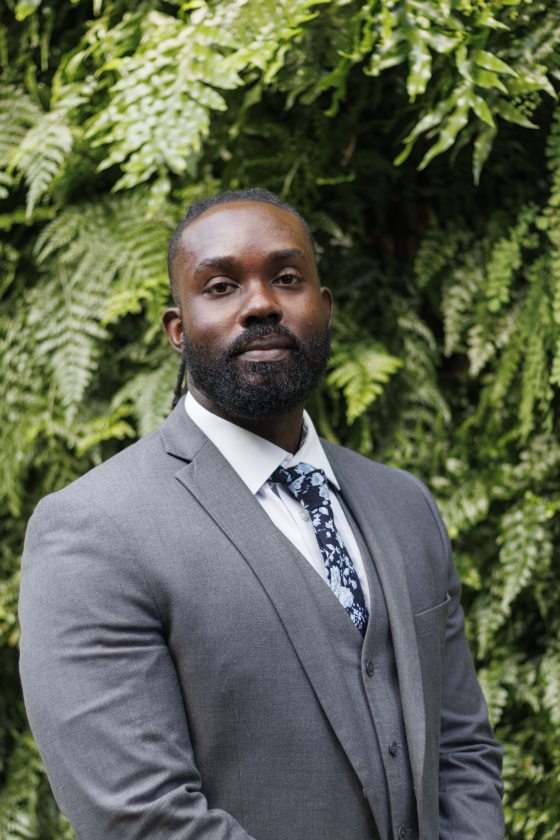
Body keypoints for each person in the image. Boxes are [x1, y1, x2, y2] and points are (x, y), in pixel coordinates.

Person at [19, 188, 504, 840]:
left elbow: (463, 750)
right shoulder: (96, 531)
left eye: (286, 278)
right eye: (220, 286)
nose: (260, 305)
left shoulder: (404, 505)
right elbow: (140, 818)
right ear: (177, 329)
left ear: (323, 307)